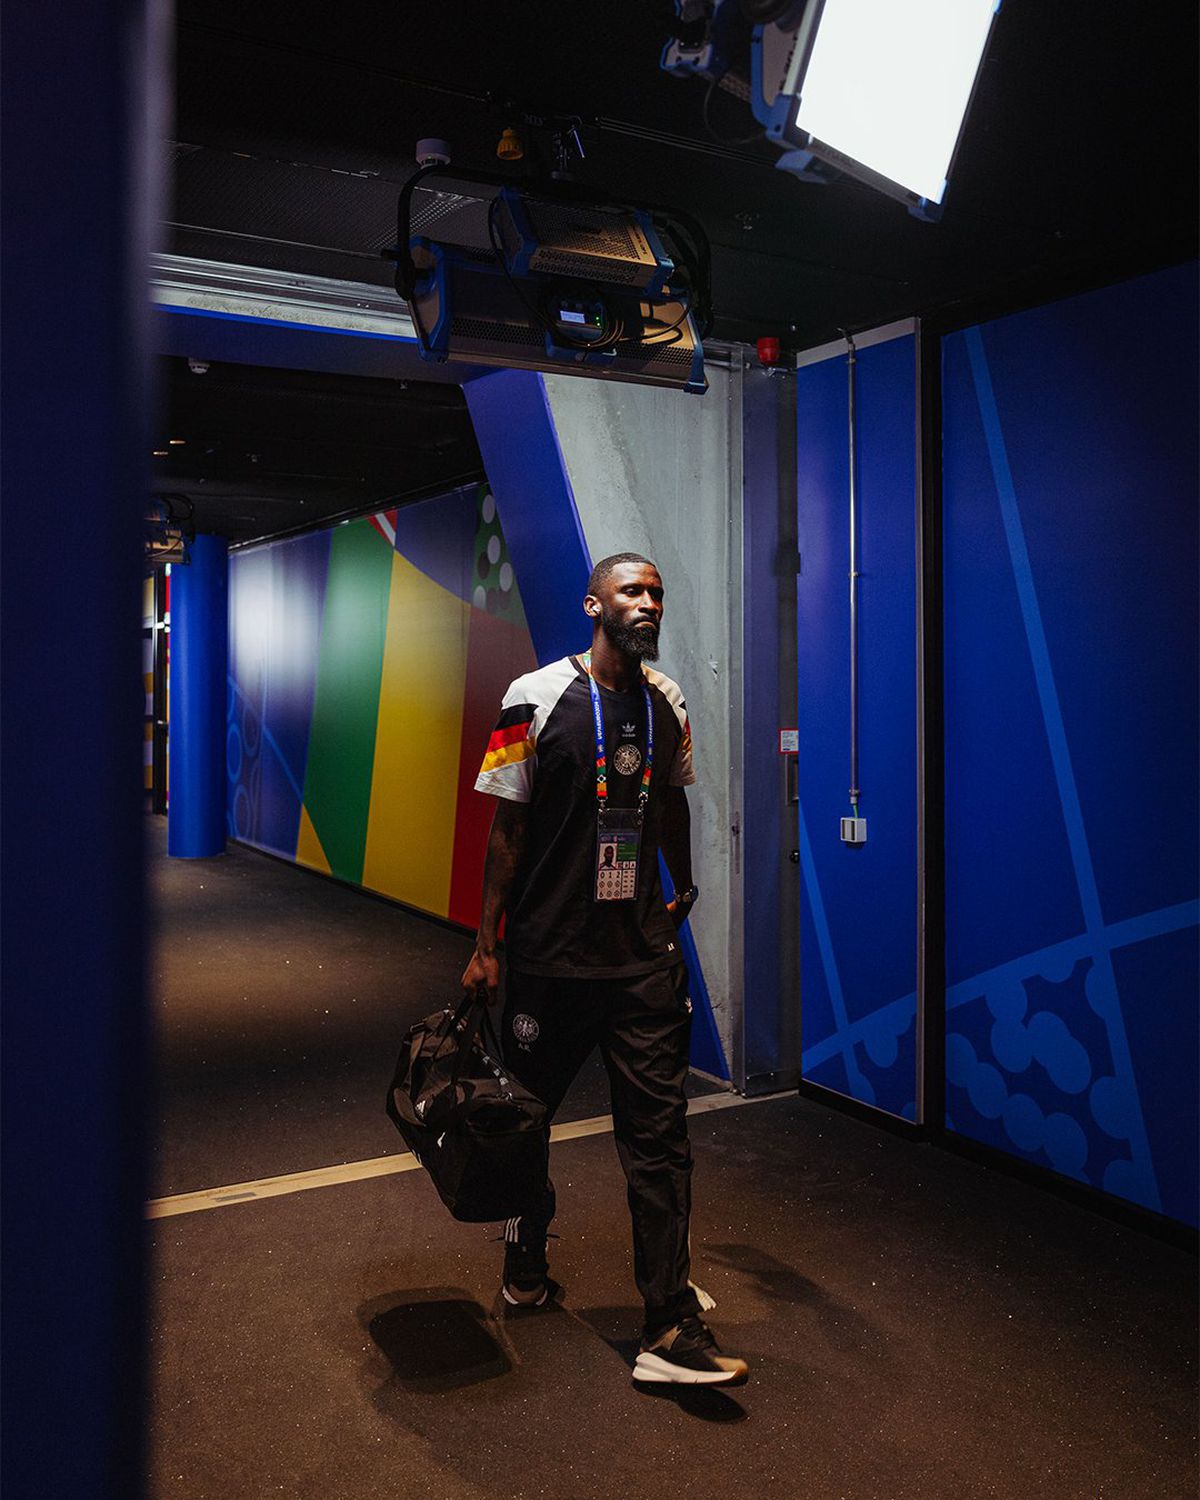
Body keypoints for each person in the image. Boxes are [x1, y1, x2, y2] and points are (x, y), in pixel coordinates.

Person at [461, 552, 748, 1387]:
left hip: (639, 961)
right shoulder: (534, 695)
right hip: (548, 959)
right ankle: (523, 1265)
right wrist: (486, 945)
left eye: (657, 592)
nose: (649, 602)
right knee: (524, 1127)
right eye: (632, 590)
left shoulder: (668, 702)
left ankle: (669, 1323)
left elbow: (670, 802)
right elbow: (508, 831)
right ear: (595, 604)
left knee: (660, 1140)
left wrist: (683, 887)